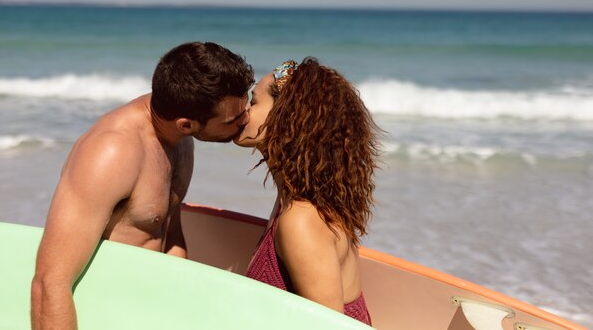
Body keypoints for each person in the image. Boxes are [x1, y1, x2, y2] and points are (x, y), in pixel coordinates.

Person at [31, 42, 255, 330]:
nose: (245, 119)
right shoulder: (111, 154)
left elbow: (169, 229)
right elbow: (50, 283)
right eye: (234, 120)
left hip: (147, 311)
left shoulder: (180, 132)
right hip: (101, 315)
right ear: (186, 124)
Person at [234, 58, 380, 326]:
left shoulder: (300, 219)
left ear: (286, 118)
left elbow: (329, 326)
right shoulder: (295, 197)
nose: (243, 110)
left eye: (253, 102)